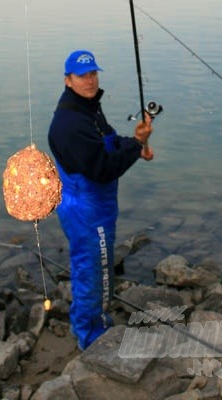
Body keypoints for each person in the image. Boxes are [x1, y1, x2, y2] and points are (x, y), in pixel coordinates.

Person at [48, 49, 154, 350]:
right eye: (82, 76)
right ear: (68, 80)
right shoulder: (70, 123)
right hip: (86, 209)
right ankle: (90, 336)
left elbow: (108, 139)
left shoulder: (87, 107)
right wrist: (135, 148)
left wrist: (136, 141)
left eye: (93, 73)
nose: (90, 80)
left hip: (97, 207)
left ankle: (90, 321)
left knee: (97, 266)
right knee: (91, 269)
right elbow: (103, 169)